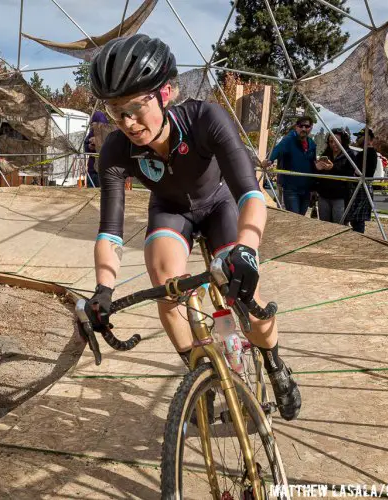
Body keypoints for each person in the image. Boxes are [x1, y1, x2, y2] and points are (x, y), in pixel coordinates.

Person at [84, 34, 301, 421]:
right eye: (116, 112)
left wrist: (247, 249)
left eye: (136, 107)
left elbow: (251, 195)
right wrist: (103, 288)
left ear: (165, 93)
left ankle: (273, 359)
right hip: (170, 210)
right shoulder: (117, 149)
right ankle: (199, 374)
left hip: (219, 204)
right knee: (166, 285)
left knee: (246, 294)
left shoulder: (205, 118)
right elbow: (110, 232)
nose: (128, 123)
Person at [263, 116, 316, 215]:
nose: (304, 129)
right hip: (291, 189)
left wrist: (314, 189)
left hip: (306, 190)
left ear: (311, 127)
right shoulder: (289, 140)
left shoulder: (312, 144)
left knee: (302, 218)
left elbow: (313, 166)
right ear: (297, 127)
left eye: (307, 126)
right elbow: (278, 149)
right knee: (294, 217)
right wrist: (269, 159)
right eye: (301, 126)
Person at [314, 128, 354, 224]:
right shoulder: (326, 154)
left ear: (343, 141)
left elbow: (350, 174)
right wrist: (317, 169)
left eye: (336, 141)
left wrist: (333, 168)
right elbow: (319, 175)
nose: (333, 144)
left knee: (338, 225)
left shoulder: (349, 155)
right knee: (324, 225)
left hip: (340, 197)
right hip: (323, 196)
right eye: (331, 141)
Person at [346, 128, 378, 233]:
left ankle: (359, 238)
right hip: (357, 187)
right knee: (354, 219)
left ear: (368, 138)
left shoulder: (370, 153)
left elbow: (366, 173)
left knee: (358, 220)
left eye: (360, 136)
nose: (357, 138)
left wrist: (354, 172)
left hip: (362, 188)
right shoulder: (363, 153)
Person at [84, 111, 109, 187]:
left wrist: (98, 142)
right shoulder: (91, 133)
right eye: (93, 124)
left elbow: (110, 147)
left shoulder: (108, 133)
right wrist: (89, 147)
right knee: (90, 190)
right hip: (92, 170)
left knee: (102, 193)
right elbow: (85, 146)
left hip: (105, 170)